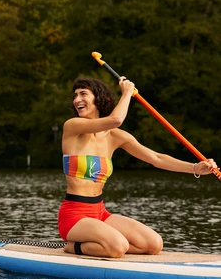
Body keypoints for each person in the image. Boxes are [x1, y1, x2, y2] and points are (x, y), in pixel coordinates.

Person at [59, 76, 217, 258]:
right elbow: (116, 119)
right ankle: (73, 247)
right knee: (117, 246)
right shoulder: (73, 126)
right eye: (75, 95)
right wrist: (127, 93)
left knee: (154, 244)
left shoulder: (115, 136)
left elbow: (156, 158)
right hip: (74, 216)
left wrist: (195, 168)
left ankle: (104, 243)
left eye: (83, 94)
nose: (77, 99)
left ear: (98, 98)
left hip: (99, 212)